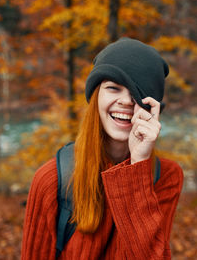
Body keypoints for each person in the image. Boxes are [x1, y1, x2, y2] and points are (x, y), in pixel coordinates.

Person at [21, 37, 183, 259]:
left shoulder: (165, 177)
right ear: (96, 97)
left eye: (137, 92)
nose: (126, 101)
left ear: (152, 107)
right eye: (113, 88)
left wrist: (138, 167)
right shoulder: (51, 180)